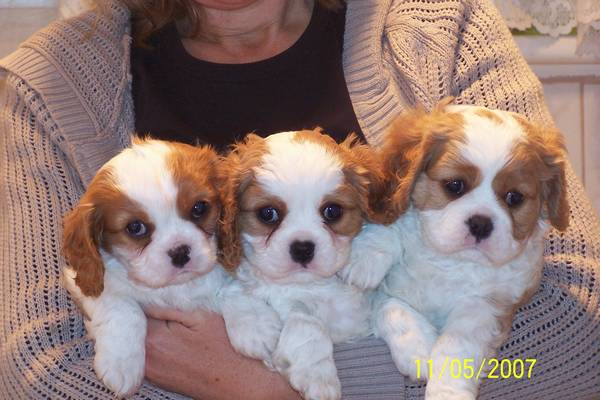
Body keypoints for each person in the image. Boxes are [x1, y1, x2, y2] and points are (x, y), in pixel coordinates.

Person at [0, 0, 598, 399]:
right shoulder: (48, 83)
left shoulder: (443, 26)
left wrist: (272, 384)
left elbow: (577, 337)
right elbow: (43, 375)